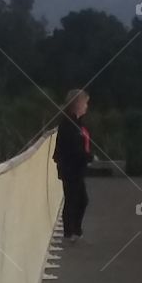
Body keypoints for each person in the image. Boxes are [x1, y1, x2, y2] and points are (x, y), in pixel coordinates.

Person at [54, 88, 91, 243]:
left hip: (76, 167)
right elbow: (71, 148)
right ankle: (71, 232)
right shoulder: (68, 124)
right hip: (71, 168)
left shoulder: (76, 122)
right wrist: (87, 156)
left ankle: (73, 230)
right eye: (85, 103)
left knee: (79, 199)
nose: (86, 107)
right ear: (78, 104)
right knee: (75, 199)